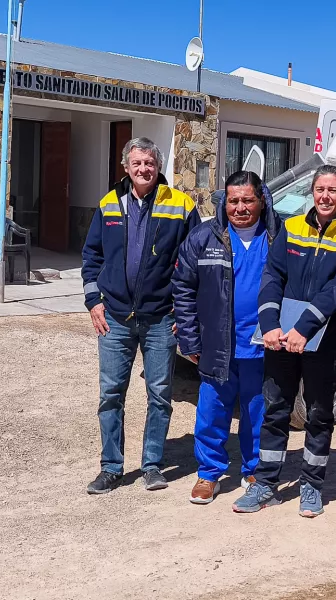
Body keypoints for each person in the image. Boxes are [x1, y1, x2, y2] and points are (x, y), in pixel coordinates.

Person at [233, 165, 336, 518]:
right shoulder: (291, 228)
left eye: (333, 190)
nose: (325, 196)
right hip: (281, 340)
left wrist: (304, 327)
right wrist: (270, 325)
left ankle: (311, 484)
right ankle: (265, 484)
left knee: (319, 414)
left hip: (326, 340)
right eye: (320, 189)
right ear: (312, 191)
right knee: (275, 411)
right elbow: (272, 276)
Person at [81, 137, 200, 495]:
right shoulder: (108, 204)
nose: (143, 169)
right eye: (137, 163)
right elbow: (91, 256)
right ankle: (111, 468)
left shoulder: (180, 205)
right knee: (111, 394)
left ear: (158, 165)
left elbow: (193, 263)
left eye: (149, 162)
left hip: (161, 317)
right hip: (115, 316)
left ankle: (152, 465)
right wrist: (93, 302)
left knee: (160, 393)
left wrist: (185, 308)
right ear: (125, 167)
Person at [172, 170, 281, 504]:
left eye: (248, 200)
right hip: (218, 344)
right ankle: (209, 474)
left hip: (264, 345)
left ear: (261, 200)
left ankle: (253, 470)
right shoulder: (204, 237)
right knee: (212, 410)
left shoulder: (279, 238)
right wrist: (189, 340)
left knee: (257, 411)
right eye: (234, 200)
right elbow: (182, 289)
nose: (240, 207)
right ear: (225, 202)